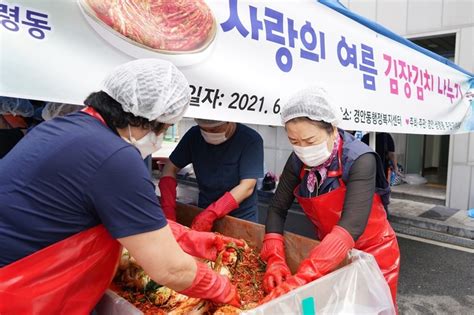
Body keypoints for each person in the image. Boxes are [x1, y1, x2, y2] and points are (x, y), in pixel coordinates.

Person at [0, 59, 240, 313]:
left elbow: (110, 209)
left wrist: (183, 236)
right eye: (166, 127)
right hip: (21, 291)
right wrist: (222, 288)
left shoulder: (63, 127)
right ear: (151, 120)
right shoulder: (115, 157)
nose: (158, 139)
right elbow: (169, 268)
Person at [259, 86, 400, 308]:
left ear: (333, 130)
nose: (303, 148)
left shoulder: (360, 159)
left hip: (373, 254)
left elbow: (351, 226)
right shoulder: (297, 161)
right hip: (328, 252)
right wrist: (275, 257)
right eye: (294, 142)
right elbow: (277, 208)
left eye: (310, 140)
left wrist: (304, 275)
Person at [159, 118, 264, 231]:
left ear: (230, 121)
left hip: (241, 220)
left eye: (215, 129)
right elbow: (170, 168)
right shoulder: (194, 135)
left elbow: (247, 186)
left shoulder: (250, 139)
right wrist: (168, 209)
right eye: (204, 129)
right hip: (203, 213)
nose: (209, 133)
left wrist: (212, 213)